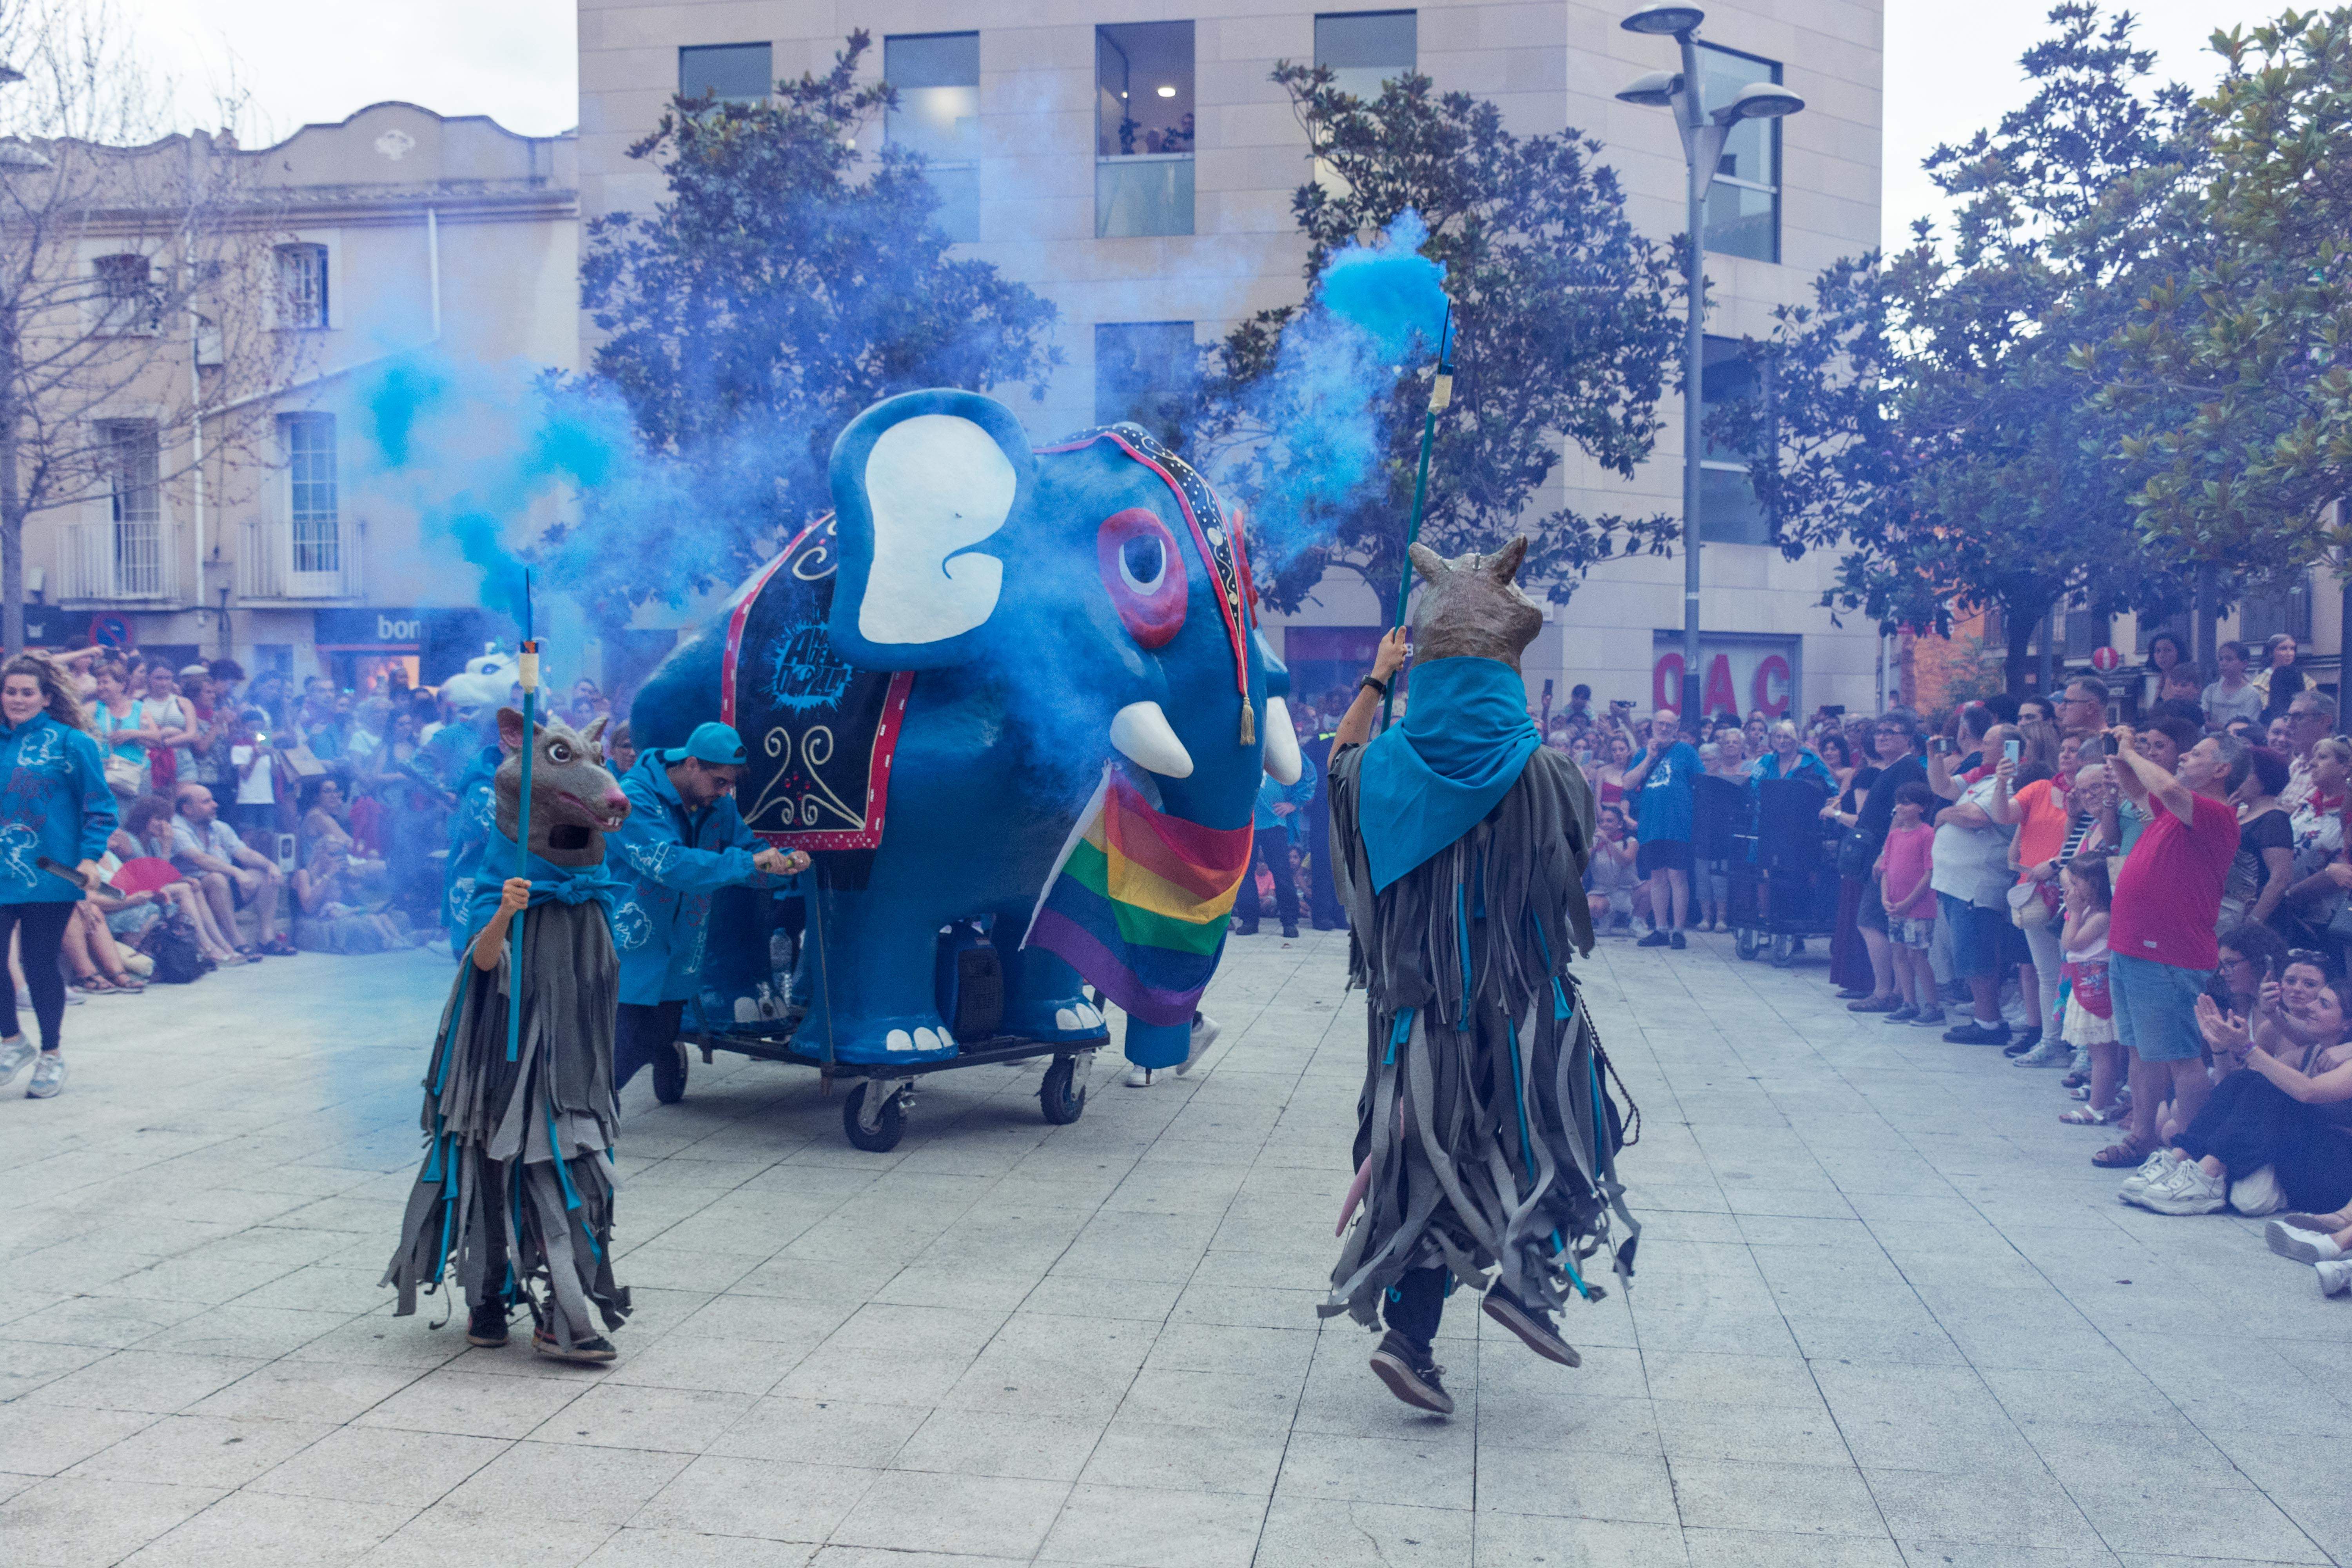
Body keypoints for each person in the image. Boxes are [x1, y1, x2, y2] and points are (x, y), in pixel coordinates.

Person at [1321, 544, 1633, 1417]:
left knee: (1427, 1163)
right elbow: (1578, 861)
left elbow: (1336, 768)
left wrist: (1379, 682)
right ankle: (1524, 1287)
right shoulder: (1550, 775)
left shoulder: (1383, 769)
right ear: (1507, 680)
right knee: (1580, 1132)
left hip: (1420, 1025)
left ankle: (1411, 1340)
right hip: (1526, 1013)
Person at [383, 708, 635, 1365]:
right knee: (492, 1166)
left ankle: (563, 1308)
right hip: (500, 1054)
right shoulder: (500, 868)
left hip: (570, 1064)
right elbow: (482, 959)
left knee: (573, 1169)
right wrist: (504, 912)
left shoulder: (593, 887)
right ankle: (487, 1296)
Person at [608, 721, 807, 1101]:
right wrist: (752, 864)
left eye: (730, 785)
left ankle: (587, 1105)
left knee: (659, 1032)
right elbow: (669, 865)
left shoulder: (717, 806)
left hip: (681, 949)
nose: (726, 792)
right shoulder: (633, 798)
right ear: (693, 764)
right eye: (720, 782)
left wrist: (784, 866)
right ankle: (579, 1112)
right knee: (625, 1042)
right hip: (631, 947)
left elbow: (748, 851)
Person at [2093, 726, 2245, 1172]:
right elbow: (2142, 790)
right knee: (2142, 1050)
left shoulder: (2217, 814)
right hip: (2134, 946)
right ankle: (2142, 1137)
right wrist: (2121, 756)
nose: (2183, 758)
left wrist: (2130, 750)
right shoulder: (2176, 814)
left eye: (2195, 753)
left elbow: (2166, 785)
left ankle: (2192, 1153)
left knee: (2180, 1056)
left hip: (2169, 952)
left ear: (2222, 769)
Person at [2124, 975, 2352, 1216]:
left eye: (2324, 1004)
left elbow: (2309, 1092)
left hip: (2331, 1172)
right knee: (2254, 1078)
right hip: (2296, 1155)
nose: (2310, 1007)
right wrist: (2220, 1046)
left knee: (2274, 1083)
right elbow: (2241, 1090)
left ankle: (2207, 1175)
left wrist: (2249, 1049)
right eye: (2316, 1000)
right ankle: (2182, 1158)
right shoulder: (2309, 1052)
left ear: (2348, 1023)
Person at [0, 655, 119, 1100]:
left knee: (38, 962)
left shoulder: (73, 744)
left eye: (27, 692)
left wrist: (90, 860)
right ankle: (12, 1041)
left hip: (51, 873)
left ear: (47, 697)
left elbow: (102, 809)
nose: (17, 699)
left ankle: (51, 1054)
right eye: (10, 691)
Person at [1928, 723, 2022, 1045]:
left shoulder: (2008, 782)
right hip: (1959, 884)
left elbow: (1976, 817)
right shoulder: (1982, 777)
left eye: (1991, 742)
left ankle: (1990, 1022)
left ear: (2009, 749)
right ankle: (1985, 1018)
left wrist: (1945, 816)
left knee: (1977, 954)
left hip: (1978, 884)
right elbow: (1943, 788)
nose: (1982, 746)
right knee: (1968, 954)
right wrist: (1933, 758)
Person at [1993, 733, 2076, 1063]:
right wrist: (2002, 783)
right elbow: (2003, 815)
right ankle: (2051, 1041)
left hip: (2076, 892)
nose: (2067, 756)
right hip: (2036, 891)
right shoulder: (2040, 789)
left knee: (2076, 971)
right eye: (2065, 750)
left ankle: (2079, 1047)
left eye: (2075, 751)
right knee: (2047, 971)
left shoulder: (2093, 795)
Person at [1846, 710, 1928, 1012]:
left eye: (1890, 732)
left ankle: (1884, 992)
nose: (1881, 736)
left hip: (1895, 857)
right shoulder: (1892, 767)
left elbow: (1903, 814)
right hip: (1890, 855)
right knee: (1889, 925)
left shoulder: (1907, 769)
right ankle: (1896, 992)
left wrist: (1885, 856)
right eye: (1879, 731)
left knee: (1870, 921)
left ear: (1907, 738)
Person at [111, 795, 242, 965]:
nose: (163, 825)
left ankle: (223, 946)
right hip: (134, 895)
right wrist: (167, 847)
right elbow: (154, 883)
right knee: (183, 890)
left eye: (166, 820)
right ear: (143, 819)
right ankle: (207, 947)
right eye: (158, 819)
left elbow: (162, 877)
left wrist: (182, 878)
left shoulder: (153, 843)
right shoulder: (132, 841)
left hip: (151, 891)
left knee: (193, 886)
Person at [170, 783, 294, 958]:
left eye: (212, 800)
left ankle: (267, 938)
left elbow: (244, 853)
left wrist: (271, 865)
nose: (215, 805)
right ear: (187, 809)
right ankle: (237, 942)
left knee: (266, 876)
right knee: (216, 879)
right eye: (207, 802)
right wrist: (236, 872)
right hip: (197, 895)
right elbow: (200, 859)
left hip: (226, 891)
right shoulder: (177, 829)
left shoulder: (219, 827)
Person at [2052, 858, 2122, 1124]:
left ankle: (2097, 1106)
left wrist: (2075, 913)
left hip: (2098, 989)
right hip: (2085, 983)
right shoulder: (2092, 911)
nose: (2069, 891)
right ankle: (2102, 1091)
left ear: (2093, 885)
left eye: (2075, 884)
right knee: (2098, 1051)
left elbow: (2072, 943)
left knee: (2102, 1051)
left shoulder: (2102, 916)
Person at [1624, 707, 1699, 949]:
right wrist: (1648, 758)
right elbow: (1627, 783)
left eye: (1670, 725)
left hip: (1678, 824)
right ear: (1653, 727)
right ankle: (1661, 929)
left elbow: (1701, 782)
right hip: (1652, 824)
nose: (1664, 728)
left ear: (1676, 728)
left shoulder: (1686, 752)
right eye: (1660, 724)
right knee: (1657, 877)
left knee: (1678, 876)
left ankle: (1678, 931)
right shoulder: (1643, 753)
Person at [1873, 782, 1939, 1024]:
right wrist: (1885, 899)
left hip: (1919, 908)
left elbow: (1929, 874)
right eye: (1899, 801)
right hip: (1895, 908)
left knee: (1917, 956)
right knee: (1899, 954)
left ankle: (1933, 1006)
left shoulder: (1927, 834)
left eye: (1907, 802)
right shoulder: (1893, 836)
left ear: (1922, 807)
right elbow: (1886, 870)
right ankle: (1909, 1003)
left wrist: (1909, 902)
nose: (1900, 807)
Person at [1240, 756, 1316, 940]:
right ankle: (1249, 920)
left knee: (1281, 873)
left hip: (1275, 823)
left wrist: (1294, 804)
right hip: (1246, 822)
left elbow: (1307, 772)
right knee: (1245, 872)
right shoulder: (1244, 741)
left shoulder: (1278, 742)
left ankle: (1289, 922)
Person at [2223, 746, 2296, 930]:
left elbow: (2281, 879)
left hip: (2247, 915)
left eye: (2245, 772)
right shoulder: (2240, 812)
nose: (2238, 778)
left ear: (2264, 779)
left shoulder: (2274, 819)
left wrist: (2253, 922)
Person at [91, 659, 158, 796]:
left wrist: (132, 734)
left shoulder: (138, 708)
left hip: (137, 774)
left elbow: (157, 737)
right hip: (106, 776)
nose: (100, 687)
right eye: (98, 683)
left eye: (105, 682)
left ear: (121, 685)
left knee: (139, 816)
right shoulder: (95, 707)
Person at [1584, 802, 1644, 935]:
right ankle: (1606, 920)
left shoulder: (1631, 842)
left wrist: (1608, 842)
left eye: (1610, 821)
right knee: (1591, 907)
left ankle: (1636, 922)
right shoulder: (1594, 841)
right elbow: (1583, 860)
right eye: (1602, 821)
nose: (1605, 824)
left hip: (1628, 892)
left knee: (1651, 888)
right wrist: (1591, 844)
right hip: (1603, 892)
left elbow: (1625, 862)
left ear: (1620, 825)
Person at [2205, 641, 2265, 733]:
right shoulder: (2210, 690)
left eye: (2229, 659)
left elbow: (2245, 728)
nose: (2223, 663)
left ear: (2244, 664)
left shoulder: (2252, 695)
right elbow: (2204, 723)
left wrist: (2217, 727)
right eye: (2221, 659)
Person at [2254, 632, 2307, 725]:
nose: (2289, 654)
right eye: (2283, 649)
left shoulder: (2304, 678)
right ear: (2271, 652)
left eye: (2292, 649)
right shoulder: (2260, 683)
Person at [2140, 629, 2187, 712]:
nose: (2162, 655)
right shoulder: (2162, 677)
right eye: (2158, 651)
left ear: (2179, 652)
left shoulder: (2184, 680)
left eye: (2168, 650)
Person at [2057, 675, 2111, 746]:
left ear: (2090, 708)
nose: (2061, 707)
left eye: (2068, 702)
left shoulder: (2115, 747)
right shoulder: (2066, 741)